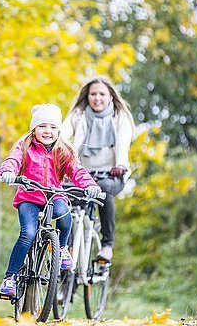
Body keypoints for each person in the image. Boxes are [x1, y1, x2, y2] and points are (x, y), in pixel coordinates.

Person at [0, 103, 102, 297]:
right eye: (43, 126)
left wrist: (90, 185)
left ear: (59, 130)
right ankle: (9, 278)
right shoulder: (25, 146)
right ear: (34, 128)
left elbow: (77, 171)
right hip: (29, 196)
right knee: (28, 233)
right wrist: (8, 172)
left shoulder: (64, 150)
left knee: (64, 214)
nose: (48, 131)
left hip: (54, 195)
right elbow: (13, 160)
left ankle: (61, 249)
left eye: (53, 127)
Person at [62, 75, 134, 262]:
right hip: (82, 175)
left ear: (110, 96)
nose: (97, 98)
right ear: (87, 97)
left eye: (102, 94)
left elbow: (122, 144)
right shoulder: (78, 115)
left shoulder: (120, 118)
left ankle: (107, 246)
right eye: (93, 94)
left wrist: (120, 164)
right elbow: (62, 134)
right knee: (63, 195)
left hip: (110, 174)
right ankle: (66, 249)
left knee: (103, 190)